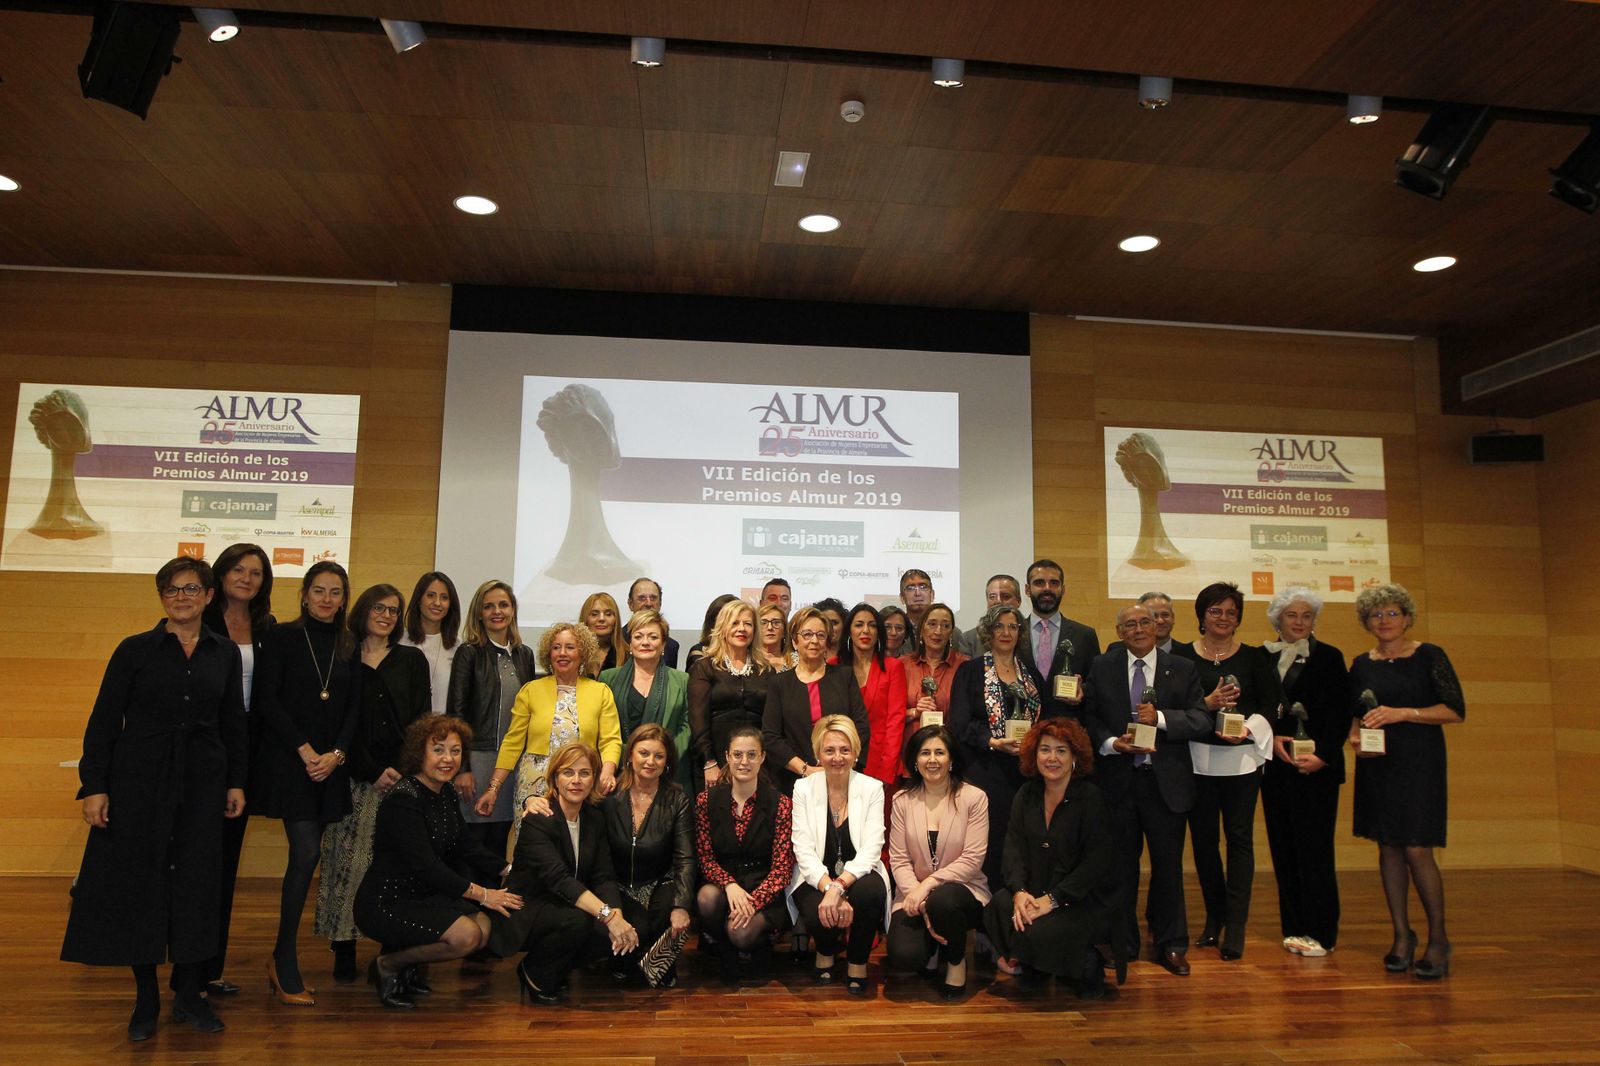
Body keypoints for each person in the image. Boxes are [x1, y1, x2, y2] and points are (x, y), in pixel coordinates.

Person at [61, 558, 247, 1041]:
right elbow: (103, 722)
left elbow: (234, 725)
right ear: (162, 597)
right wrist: (95, 785)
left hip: (203, 784)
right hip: (138, 783)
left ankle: (188, 994)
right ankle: (146, 998)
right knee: (139, 888)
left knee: (196, 889)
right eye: (170, 589)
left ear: (209, 595)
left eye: (190, 588)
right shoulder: (134, 650)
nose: (180, 597)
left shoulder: (224, 653)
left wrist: (235, 782)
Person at [1079, 602, 1210, 977]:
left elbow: (1201, 717)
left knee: (1168, 868)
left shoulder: (1181, 668)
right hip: (1118, 781)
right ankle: (1124, 943)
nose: (1138, 629)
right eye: (1130, 624)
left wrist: (1164, 719)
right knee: (1120, 868)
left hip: (1165, 784)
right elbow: (1090, 718)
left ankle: (1171, 945)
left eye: (1145, 622)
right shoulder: (1103, 667)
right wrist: (1110, 744)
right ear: (1119, 633)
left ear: (1157, 627)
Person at [353, 716, 521, 1009]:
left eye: (455, 751)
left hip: (423, 896)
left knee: (482, 926)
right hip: (387, 901)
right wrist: (484, 894)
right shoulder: (404, 799)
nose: (448, 759)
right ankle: (388, 964)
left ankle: (406, 967)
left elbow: (466, 846)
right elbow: (427, 867)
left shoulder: (444, 793)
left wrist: (510, 869)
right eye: (439, 750)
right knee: (467, 936)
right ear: (420, 753)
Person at [252, 560, 362, 1004]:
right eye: (319, 590)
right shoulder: (281, 638)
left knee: (309, 856)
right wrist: (305, 751)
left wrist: (336, 755)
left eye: (335, 592)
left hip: (330, 767)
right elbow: (267, 701)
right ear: (304, 594)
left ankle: (281, 958)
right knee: (306, 852)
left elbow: (353, 709)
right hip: (291, 765)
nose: (326, 600)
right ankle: (284, 959)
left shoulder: (348, 643)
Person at [317, 583, 433, 983]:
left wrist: (403, 768)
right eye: (379, 608)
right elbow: (339, 722)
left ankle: (395, 948)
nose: (386, 616)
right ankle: (344, 946)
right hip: (354, 776)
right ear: (363, 610)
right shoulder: (342, 658)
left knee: (400, 864)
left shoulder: (411, 659)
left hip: (403, 779)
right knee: (348, 863)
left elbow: (422, 718)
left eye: (394, 610)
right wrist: (369, 769)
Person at [1348, 583, 1465, 980]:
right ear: (1366, 622)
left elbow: (1453, 710)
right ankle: (1401, 936)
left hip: (1420, 763)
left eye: (1392, 613)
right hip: (1379, 764)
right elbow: (1355, 713)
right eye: (1376, 615)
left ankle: (1439, 939)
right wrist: (1354, 738)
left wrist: (1403, 713)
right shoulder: (1362, 662)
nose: (1384, 621)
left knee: (1418, 850)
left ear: (1407, 618)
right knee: (1389, 849)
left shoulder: (1430, 655)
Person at [1171, 581, 1282, 961]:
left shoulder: (1255, 658)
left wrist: (1249, 729)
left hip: (1241, 764)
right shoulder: (1182, 658)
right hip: (1197, 762)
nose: (1223, 618)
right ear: (1202, 615)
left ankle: (1236, 925)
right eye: (1215, 611)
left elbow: (1272, 706)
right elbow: (1178, 706)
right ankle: (1214, 918)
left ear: (1239, 619)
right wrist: (1206, 703)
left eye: (1231, 612)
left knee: (1239, 843)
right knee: (1203, 845)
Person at [487, 742, 637, 1003]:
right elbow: (559, 879)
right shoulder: (538, 819)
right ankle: (534, 972)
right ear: (555, 777)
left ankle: (558, 967)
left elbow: (604, 876)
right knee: (582, 921)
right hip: (527, 908)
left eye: (585, 773)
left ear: (594, 779)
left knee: (630, 923)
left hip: (567, 902)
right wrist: (608, 916)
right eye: (568, 772)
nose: (576, 781)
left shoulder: (593, 818)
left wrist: (618, 918)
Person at [983, 718, 1116, 998]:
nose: (1052, 758)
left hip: (1078, 899)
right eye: (1045, 750)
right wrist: (1020, 892)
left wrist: (1052, 899)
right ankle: (1038, 963)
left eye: (1061, 751)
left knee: (1037, 928)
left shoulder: (1090, 798)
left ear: (1075, 758)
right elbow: (1012, 850)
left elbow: (1096, 864)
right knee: (1000, 906)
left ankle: (1086, 964)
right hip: (1033, 893)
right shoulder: (1026, 794)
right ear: (1034, 754)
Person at [197, 542, 273, 998]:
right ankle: (185, 969)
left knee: (224, 867)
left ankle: (210, 969)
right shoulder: (197, 621)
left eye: (257, 573)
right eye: (239, 570)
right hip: (201, 752)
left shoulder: (266, 628)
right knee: (195, 867)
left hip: (243, 757)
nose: (247, 578)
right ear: (221, 575)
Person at [1260, 587, 1349, 959]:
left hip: (1316, 770)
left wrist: (1324, 756)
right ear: (1277, 620)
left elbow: (1341, 713)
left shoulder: (1329, 657)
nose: (1299, 622)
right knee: (1284, 849)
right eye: (1292, 615)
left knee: (1315, 852)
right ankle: (1294, 928)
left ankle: (1322, 933)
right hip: (1277, 769)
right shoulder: (1261, 657)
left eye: (1306, 616)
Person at [477, 622, 623, 838]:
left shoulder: (601, 692)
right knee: (534, 848)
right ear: (548, 653)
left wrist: (608, 772)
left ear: (583, 653)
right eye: (556, 647)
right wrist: (493, 788)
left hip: (578, 783)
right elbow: (513, 742)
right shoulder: (531, 691)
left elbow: (611, 740)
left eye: (570, 647)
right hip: (534, 785)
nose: (562, 653)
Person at [946, 603, 1045, 894]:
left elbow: (1044, 719)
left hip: (1025, 773)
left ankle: (1019, 906)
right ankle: (988, 919)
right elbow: (960, 722)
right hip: (986, 772)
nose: (1006, 632)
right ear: (988, 632)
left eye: (1012, 626)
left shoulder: (1030, 675)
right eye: (999, 626)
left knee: (1022, 843)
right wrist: (992, 741)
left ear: (1020, 633)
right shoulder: (971, 671)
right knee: (991, 845)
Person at [788, 715, 890, 995]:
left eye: (845, 750)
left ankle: (857, 961)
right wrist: (829, 887)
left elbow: (872, 848)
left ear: (856, 753)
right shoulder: (803, 788)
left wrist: (840, 887)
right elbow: (803, 848)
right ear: (817, 754)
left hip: (857, 875)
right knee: (813, 905)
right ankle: (825, 949)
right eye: (829, 750)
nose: (837, 757)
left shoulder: (872, 788)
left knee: (870, 893)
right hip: (817, 876)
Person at [886, 724, 989, 998]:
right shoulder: (902, 800)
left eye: (940, 753)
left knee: (944, 900)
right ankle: (931, 945)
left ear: (951, 759)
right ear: (915, 762)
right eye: (925, 753)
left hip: (962, 892)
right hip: (913, 895)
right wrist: (918, 898)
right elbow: (898, 859)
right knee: (903, 955)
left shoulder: (974, 799)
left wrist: (928, 884)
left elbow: (972, 859)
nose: (932, 760)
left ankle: (956, 960)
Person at [695, 725, 795, 984]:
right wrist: (728, 884)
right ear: (727, 756)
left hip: (764, 887)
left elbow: (782, 869)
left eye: (752, 755)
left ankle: (760, 945)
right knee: (706, 897)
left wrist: (754, 901)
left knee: (740, 932)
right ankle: (723, 949)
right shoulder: (707, 801)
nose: (744, 762)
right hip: (725, 883)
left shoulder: (780, 804)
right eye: (737, 754)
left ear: (762, 757)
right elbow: (705, 857)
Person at [446, 580, 538, 858]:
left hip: (512, 762)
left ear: (513, 610)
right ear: (479, 613)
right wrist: (462, 768)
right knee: (474, 841)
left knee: (500, 839)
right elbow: (456, 713)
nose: (496, 611)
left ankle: (491, 902)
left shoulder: (525, 655)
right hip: (478, 759)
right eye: (488, 606)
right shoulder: (469, 652)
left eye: (503, 605)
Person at [762, 606, 871, 792]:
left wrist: (842, 764)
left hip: (843, 776)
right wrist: (805, 769)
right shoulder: (779, 683)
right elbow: (771, 736)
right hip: (794, 780)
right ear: (795, 641)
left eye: (821, 635)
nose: (814, 641)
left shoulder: (844, 676)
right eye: (807, 634)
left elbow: (860, 726)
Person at [601, 609, 692, 791]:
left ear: (664, 644)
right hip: (619, 774)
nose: (645, 642)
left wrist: (662, 757)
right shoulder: (608, 678)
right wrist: (629, 758)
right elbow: (603, 728)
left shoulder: (682, 680)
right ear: (630, 643)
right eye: (639, 636)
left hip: (667, 774)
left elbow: (687, 726)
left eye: (653, 637)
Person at [688, 598, 773, 791]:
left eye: (748, 624)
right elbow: (697, 719)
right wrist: (709, 762)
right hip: (714, 762)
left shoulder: (766, 670)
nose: (741, 629)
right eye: (734, 623)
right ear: (722, 628)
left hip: (758, 764)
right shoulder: (704, 667)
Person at [1016, 558, 1101, 721]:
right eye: (1039, 582)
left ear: (1063, 590)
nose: (1047, 589)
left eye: (1054, 583)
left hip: (1067, 732)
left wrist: (1081, 690)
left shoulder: (1085, 635)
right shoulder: (1015, 633)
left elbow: (1096, 687)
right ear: (1027, 589)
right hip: (1023, 733)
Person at [837, 603, 908, 789]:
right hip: (839, 761)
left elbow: (896, 721)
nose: (865, 630)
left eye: (872, 625)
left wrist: (886, 769)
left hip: (880, 763)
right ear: (849, 630)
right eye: (859, 624)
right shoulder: (833, 666)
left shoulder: (893, 667)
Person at [401, 571, 461, 717]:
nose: (437, 603)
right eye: (430, 595)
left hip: (445, 732)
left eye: (444, 597)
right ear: (418, 600)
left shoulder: (459, 646)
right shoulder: (399, 641)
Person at [904, 602, 968, 732]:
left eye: (945, 626)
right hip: (910, 745)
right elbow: (887, 716)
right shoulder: (903, 665)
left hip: (948, 745)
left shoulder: (964, 666)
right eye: (932, 624)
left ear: (951, 633)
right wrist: (914, 712)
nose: (938, 631)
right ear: (921, 629)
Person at [956, 573, 1021, 658]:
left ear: (1018, 601)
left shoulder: (1028, 636)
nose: (998, 601)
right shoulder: (969, 639)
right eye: (992, 597)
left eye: (1006, 596)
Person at [624, 578, 681, 669]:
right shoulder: (616, 640)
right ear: (630, 604)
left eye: (653, 598)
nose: (649, 603)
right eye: (642, 598)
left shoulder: (671, 646)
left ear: (660, 603)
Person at [685, 593, 738, 670]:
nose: (741, 628)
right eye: (728, 619)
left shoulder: (751, 656)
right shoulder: (700, 654)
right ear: (713, 623)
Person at [580, 591, 627, 675]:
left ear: (616, 620)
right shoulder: (574, 653)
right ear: (585, 619)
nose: (601, 619)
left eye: (608, 614)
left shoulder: (628, 655)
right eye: (594, 614)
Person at [756, 601, 796, 671]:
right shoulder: (747, 662)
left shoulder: (796, 662)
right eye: (763, 623)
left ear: (784, 630)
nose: (770, 627)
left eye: (776, 622)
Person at [813, 597, 848, 661]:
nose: (830, 627)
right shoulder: (807, 656)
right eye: (825, 622)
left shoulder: (854, 659)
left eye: (834, 623)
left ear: (844, 625)